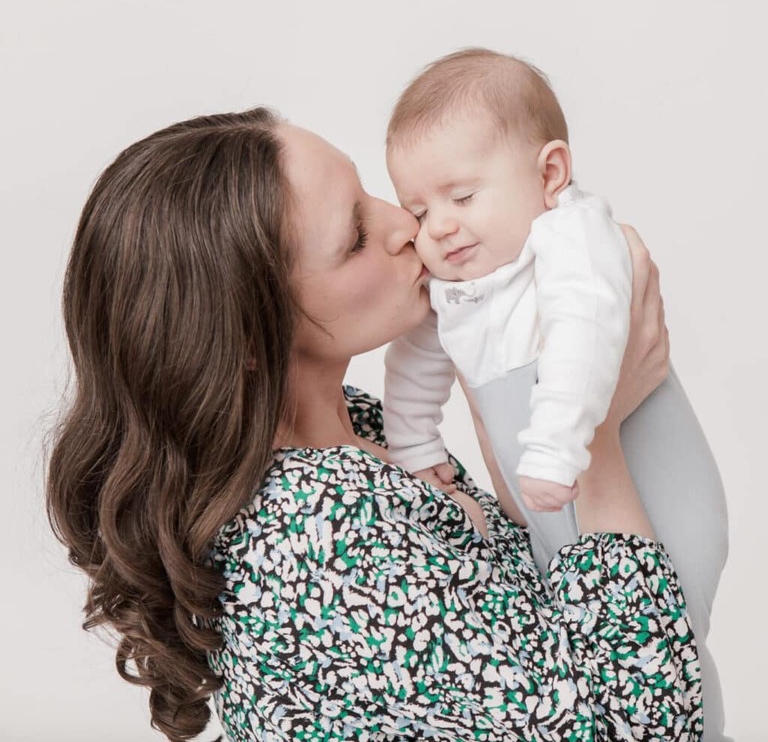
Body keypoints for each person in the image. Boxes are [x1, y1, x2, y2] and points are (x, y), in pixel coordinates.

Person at [47, 107, 703, 742]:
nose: (404, 224)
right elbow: (647, 729)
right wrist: (597, 439)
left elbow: (526, 600)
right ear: (250, 333)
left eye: (369, 193)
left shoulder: (353, 422)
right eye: (355, 236)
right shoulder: (323, 539)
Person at [383, 48, 729, 740]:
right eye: (417, 209)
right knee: (603, 639)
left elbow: (587, 331)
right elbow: (417, 357)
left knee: (669, 627)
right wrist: (415, 441)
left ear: (550, 174)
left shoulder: (569, 238)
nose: (438, 226)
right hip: (555, 512)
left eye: (461, 196)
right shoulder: (460, 285)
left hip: (646, 487)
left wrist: (557, 444)